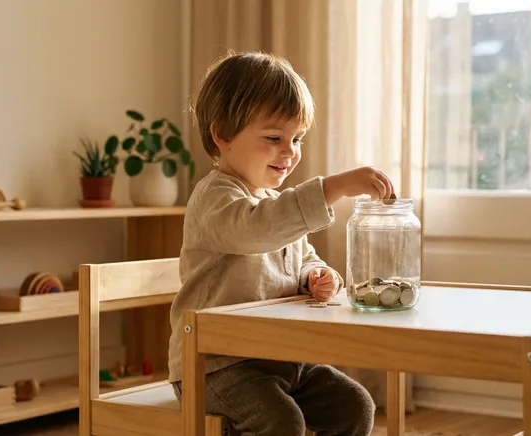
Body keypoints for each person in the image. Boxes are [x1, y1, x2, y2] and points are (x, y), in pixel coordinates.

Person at [167, 50, 395, 436]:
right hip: (214, 366)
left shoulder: (275, 204)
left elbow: (300, 256)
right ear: (222, 134)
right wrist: (332, 187)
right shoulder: (214, 198)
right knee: (281, 423)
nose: (290, 152)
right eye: (274, 138)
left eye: (297, 138)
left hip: (279, 357)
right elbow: (255, 231)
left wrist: (316, 275)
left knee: (355, 405)